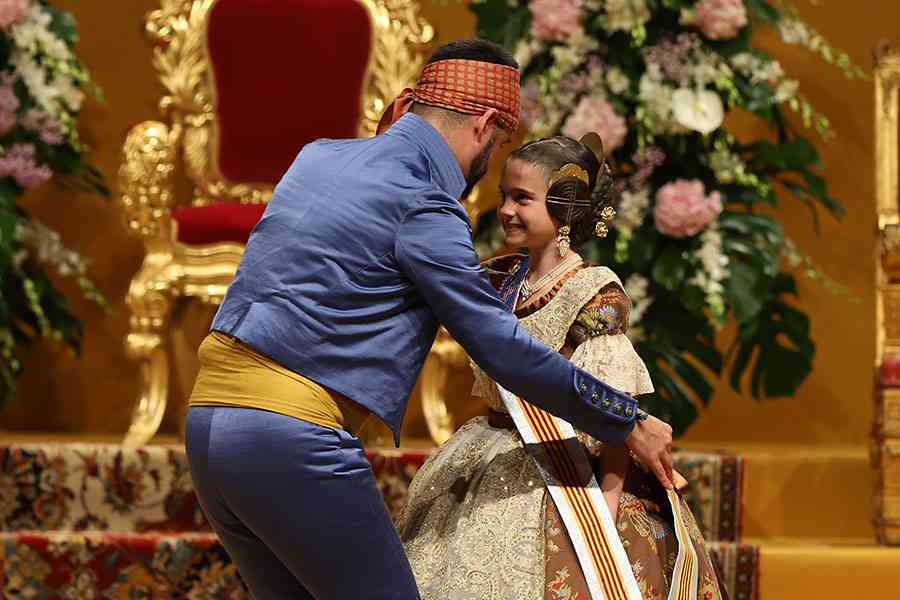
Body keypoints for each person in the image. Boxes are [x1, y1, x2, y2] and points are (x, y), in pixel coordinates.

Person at [184, 39, 673, 599]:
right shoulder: (425, 204)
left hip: (207, 426)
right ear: (484, 124)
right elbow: (503, 349)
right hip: (289, 439)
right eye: (500, 143)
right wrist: (626, 419)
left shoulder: (316, 157)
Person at [398, 135, 727, 600]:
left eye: (522, 199)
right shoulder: (500, 278)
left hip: (563, 470)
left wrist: (605, 510)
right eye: (504, 196)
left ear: (565, 207)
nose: (506, 210)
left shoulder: (593, 293)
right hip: (489, 454)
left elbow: (615, 406)